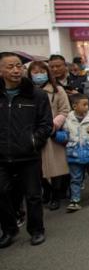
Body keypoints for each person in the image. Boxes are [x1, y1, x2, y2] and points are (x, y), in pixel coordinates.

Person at [0, 52, 53, 248]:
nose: (15, 70)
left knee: (33, 195)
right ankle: (9, 229)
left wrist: (33, 141)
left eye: (18, 66)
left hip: (28, 155)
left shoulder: (36, 94)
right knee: (1, 192)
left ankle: (37, 230)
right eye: (10, 66)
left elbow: (46, 124)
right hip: (2, 155)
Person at [28, 61, 70, 210]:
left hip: (52, 133)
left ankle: (56, 195)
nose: (39, 75)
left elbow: (64, 110)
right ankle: (46, 191)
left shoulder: (57, 90)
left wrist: (53, 125)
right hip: (32, 133)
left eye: (42, 71)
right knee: (37, 168)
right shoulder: (27, 91)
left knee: (55, 168)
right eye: (35, 72)